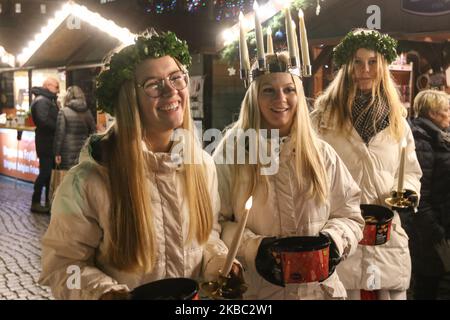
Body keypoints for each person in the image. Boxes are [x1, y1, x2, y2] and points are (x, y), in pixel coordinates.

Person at [39, 31, 232, 299]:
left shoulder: (202, 166)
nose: (171, 90)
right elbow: (61, 266)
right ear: (129, 99)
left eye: (176, 77)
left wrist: (220, 262)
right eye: (154, 83)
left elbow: (207, 235)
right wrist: (105, 293)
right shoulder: (88, 181)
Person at [214, 52, 364, 300]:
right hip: (258, 294)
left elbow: (349, 213)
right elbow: (213, 223)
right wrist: (254, 248)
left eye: (289, 90)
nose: (280, 99)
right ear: (254, 97)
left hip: (319, 292)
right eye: (269, 91)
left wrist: (335, 241)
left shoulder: (321, 153)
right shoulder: (233, 152)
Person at [311, 29, 422, 300]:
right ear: (347, 67)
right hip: (340, 231)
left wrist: (406, 192)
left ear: (382, 67)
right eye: (358, 62)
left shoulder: (397, 120)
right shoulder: (324, 118)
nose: (365, 70)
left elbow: (409, 171)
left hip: (385, 233)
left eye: (372, 62)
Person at [410, 89, 450, 299]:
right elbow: (420, 195)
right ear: (433, 113)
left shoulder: (439, 135)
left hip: (438, 228)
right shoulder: (421, 140)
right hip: (430, 234)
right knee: (428, 287)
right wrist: (437, 233)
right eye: (446, 109)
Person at [30, 77, 60, 214]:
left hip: (48, 141)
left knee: (48, 174)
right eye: (56, 86)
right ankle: (36, 202)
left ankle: (48, 201)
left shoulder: (48, 100)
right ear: (48, 86)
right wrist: (58, 126)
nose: (58, 89)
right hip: (45, 142)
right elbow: (43, 121)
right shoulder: (42, 100)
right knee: (45, 173)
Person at [54, 85, 96, 170]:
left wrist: (57, 153)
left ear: (67, 97)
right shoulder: (87, 112)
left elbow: (60, 134)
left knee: (68, 177)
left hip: (67, 151)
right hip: (83, 150)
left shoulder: (63, 112)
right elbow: (93, 132)